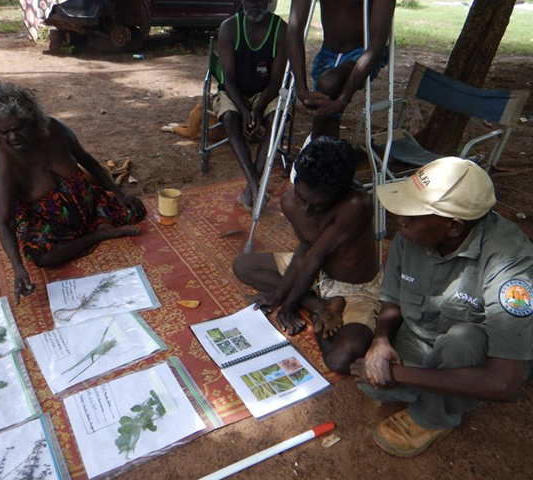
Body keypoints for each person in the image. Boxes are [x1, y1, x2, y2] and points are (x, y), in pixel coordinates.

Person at [350, 157, 533, 457]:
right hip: (423, 338)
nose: (401, 220)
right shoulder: (410, 236)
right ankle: (450, 386)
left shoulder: (510, 264)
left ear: (453, 227)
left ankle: (432, 417)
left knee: (462, 341)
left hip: (473, 353)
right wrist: (381, 341)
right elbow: (393, 298)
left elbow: (505, 383)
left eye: (414, 215)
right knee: (372, 382)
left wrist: (399, 375)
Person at [0, 81, 146, 305]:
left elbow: (87, 160)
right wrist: (18, 269)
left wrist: (118, 193)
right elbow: (5, 222)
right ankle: (98, 235)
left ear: (33, 119)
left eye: (19, 128)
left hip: (85, 203)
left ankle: (94, 227)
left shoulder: (55, 129)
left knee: (135, 209)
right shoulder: (1, 160)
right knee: (45, 257)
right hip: (47, 221)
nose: (13, 137)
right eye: (4, 132)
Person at [233, 137, 381, 374]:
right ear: (296, 180)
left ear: (340, 193)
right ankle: (318, 306)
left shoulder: (357, 203)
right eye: (302, 198)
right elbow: (305, 250)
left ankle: (316, 305)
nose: (306, 210)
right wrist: (278, 295)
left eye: (318, 206)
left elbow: (315, 256)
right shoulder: (290, 202)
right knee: (243, 266)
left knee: (340, 359)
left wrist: (289, 304)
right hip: (318, 273)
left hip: (356, 288)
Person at [214, 0, 287, 211]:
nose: (254, 3)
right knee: (230, 118)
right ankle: (256, 185)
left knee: (277, 121)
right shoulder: (229, 28)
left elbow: (275, 82)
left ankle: (251, 188)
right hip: (235, 91)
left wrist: (257, 108)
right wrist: (245, 110)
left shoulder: (281, 30)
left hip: (267, 92)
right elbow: (227, 78)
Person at [287, 0, 395, 139]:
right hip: (328, 53)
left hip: (364, 53)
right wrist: (301, 89)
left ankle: (315, 146)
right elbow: (294, 28)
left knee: (329, 84)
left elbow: (375, 47)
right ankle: (325, 147)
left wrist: (343, 99)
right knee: (327, 94)